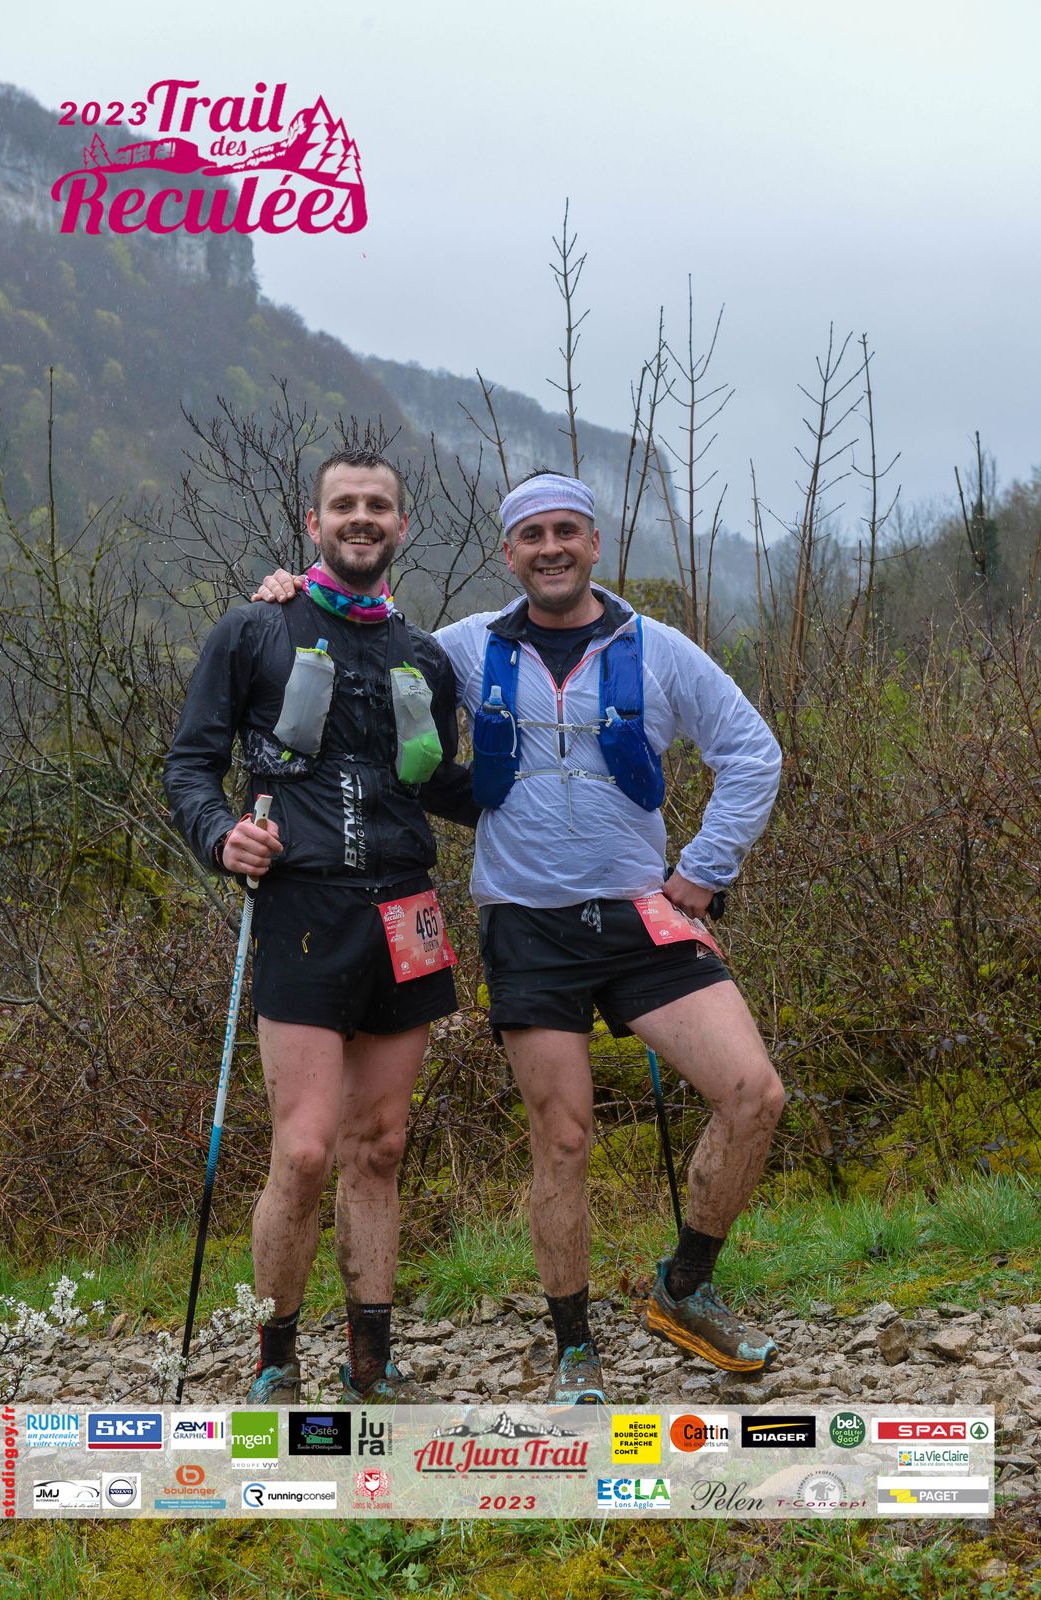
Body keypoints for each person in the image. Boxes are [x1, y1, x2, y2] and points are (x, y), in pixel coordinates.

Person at [255, 468, 784, 1406]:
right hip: (526, 924)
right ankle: (574, 1348)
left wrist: (704, 872)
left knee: (754, 1093)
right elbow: (372, 648)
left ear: (593, 543)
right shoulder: (462, 648)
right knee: (564, 1138)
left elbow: (752, 752)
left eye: (566, 531)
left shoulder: (659, 649)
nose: (551, 548)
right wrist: (295, 595)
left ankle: (684, 1288)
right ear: (508, 553)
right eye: (532, 534)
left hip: (643, 915)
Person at [164, 448, 478, 1406]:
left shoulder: (425, 658)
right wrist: (221, 837)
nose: (361, 518)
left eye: (378, 505)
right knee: (303, 1152)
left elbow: (440, 785)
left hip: (406, 910)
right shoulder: (256, 629)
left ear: (402, 526)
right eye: (344, 504)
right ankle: (275, 1362)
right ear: (313, 523)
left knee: (379, 1146)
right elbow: (189, 766)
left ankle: (371, 1366)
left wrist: (559, 783)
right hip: (302, 909)